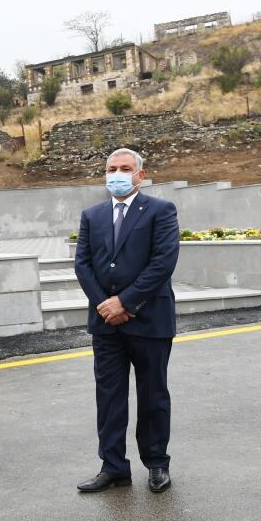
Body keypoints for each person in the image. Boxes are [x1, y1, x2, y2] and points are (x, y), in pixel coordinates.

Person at [73, 147, 180, 494]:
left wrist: (126, 301)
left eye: (124, 168)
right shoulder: (92, 215)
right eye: (111, 168)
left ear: (140, 175)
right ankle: (114, 466)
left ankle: (157, 463)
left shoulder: (161, 211)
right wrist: (106, 304)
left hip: (149, 320)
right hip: (106, 324)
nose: (116, 174)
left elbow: (163, 262)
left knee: (153, 396)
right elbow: (83, 264)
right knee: (109, 397)